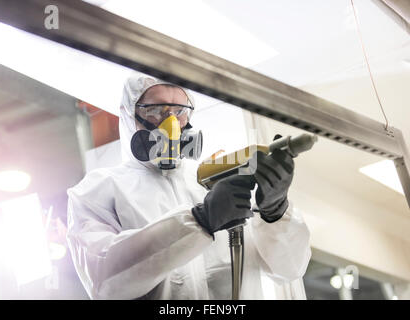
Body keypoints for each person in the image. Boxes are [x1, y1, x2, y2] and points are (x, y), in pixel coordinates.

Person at [66, 72, 311, 300]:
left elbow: (290, 269)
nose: (171, 122)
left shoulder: (214, 179)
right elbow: (105, 281)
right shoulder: (99, 190)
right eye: (154, 110)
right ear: (130, 115)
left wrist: (275, 213)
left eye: (180, 111)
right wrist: (199, 220)